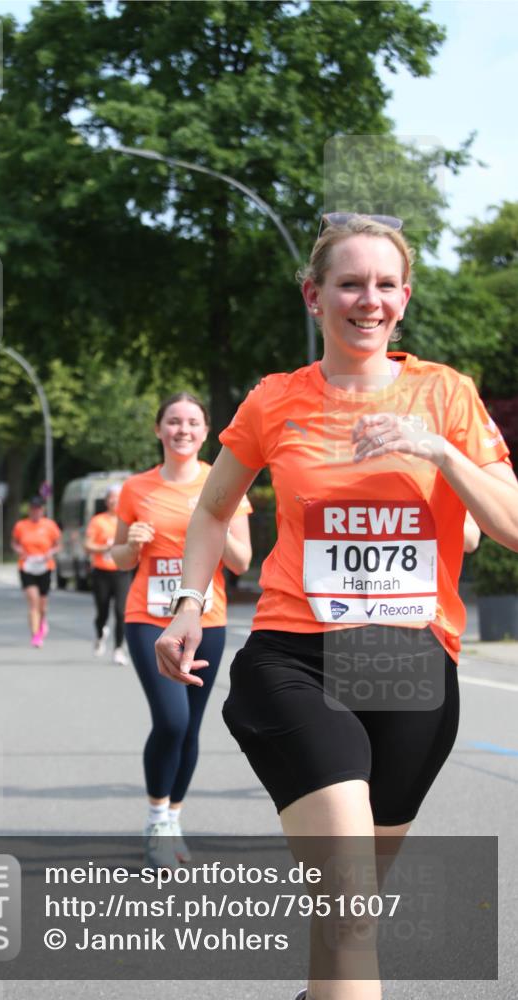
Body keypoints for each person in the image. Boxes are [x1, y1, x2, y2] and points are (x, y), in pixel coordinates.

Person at [155, 215, 518, 1000]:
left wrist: (438, 450)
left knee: (349, 919)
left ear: (404, 298)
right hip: (296, 658)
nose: (368, 300)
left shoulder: (445, 394)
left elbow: (511, 526)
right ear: (313, 295)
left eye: (384, 285)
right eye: (349, 283)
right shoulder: (275, 400)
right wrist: (188, 602)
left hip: (411, 667)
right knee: (349, 905)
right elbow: (212, 510)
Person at [111, 392, 252, 870]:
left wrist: (216, 521)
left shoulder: (224, 479)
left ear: (206, 431)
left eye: (192, 422)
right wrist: (131, 545)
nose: (183, 430)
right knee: (170, 720)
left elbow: (242, 562)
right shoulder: (136, 488)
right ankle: (156, 819)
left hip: (207, 618)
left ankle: (172, 819)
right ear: (159, 430)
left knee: (190, 725)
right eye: (173, 421)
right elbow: (118, 558)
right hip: (149, 616)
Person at [85, 484, 132, 664]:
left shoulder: (128, 520)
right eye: (111, 497)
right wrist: (106, 548)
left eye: (118, 498)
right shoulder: (98, 521)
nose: (114, 501)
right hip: (101, 572)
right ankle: (100, 633)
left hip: (121, 571)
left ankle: (119, 648)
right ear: (106, 501)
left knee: (121, 612)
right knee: (102, 611)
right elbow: (88, 545)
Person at [11, 496, 61, 648]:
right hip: (27, 566)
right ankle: (36, 635)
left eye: (38, 509)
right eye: (33, 509)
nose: (35, 511)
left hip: (44, 566)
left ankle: (42, 621)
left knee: (42, 606)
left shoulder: (50, 525)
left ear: (42, 510)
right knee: (33, 601)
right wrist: (20, 551)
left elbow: (58, 545)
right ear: (29, 510)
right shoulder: (21, 525)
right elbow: (14, 543)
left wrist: (51, 553)